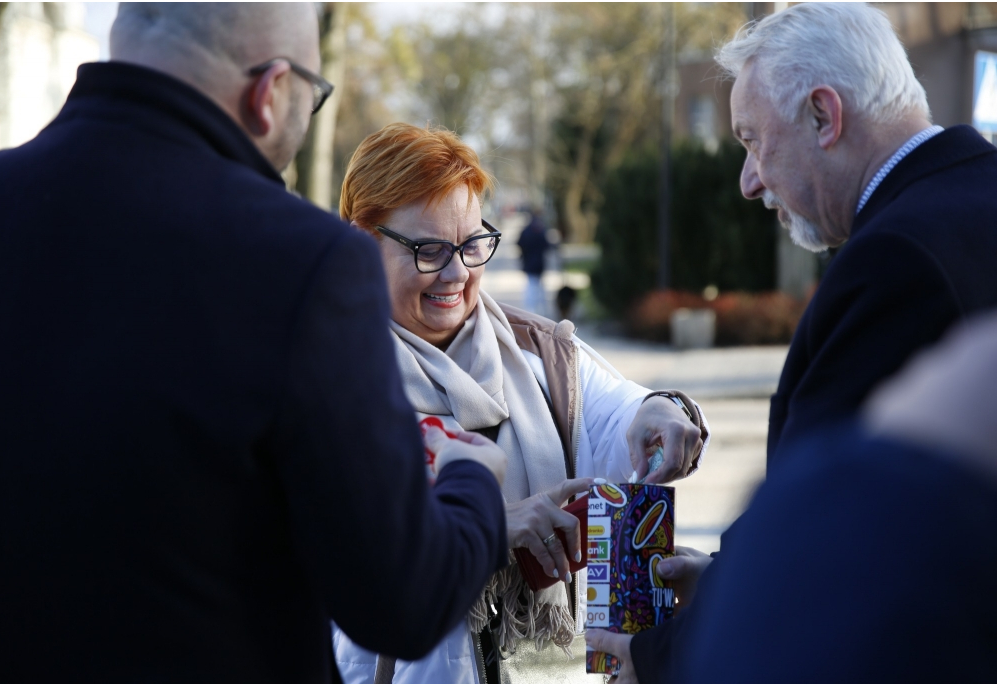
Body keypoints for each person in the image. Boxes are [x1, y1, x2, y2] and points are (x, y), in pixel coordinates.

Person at [0, 4, 510, 681]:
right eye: (312, 97)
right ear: (270, 91)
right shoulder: (303, 261)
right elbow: (400, 599)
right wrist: (472, 479)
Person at [586, 3, 997, 680]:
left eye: (752, 140)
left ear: (823, 116)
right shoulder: (967, 205)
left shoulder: (895, 260)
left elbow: (833, 540)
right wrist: (723, 580)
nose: (748, 182)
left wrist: (662, 653)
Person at [331, 122, 711, 684]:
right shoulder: (318, 373)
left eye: (471, 244)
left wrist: (661, 412)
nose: (458, 273)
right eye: (430, 250)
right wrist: (487, 528)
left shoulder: (540, 353)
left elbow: (615, 414)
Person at [516, 208, 553, 315]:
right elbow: (547, 246)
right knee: (538, 287)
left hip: (529, 263)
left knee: (532, 287)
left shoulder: (527, 230)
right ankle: (539, 310)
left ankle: (531, 309)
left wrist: (524, 254)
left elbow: (519, 243)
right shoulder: (541, 230)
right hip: (539, 264)